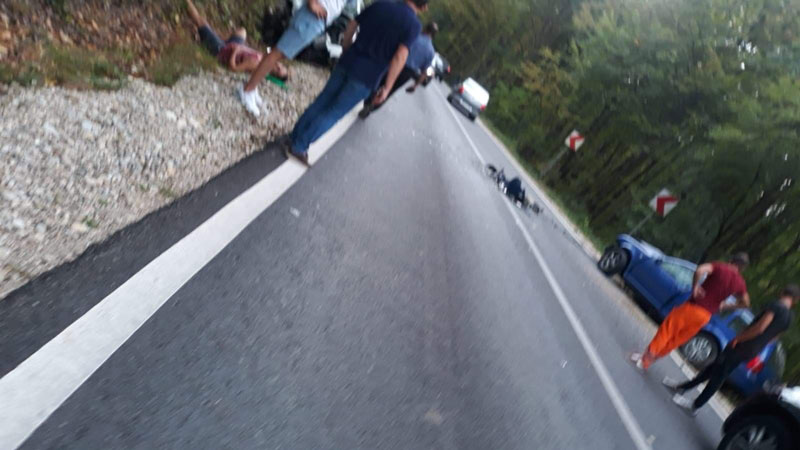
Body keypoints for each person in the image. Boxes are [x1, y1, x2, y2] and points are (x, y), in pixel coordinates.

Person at [282, 0, 428, 166]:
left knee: (322, 100)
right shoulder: (413, 26)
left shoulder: (381, 4)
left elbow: (352, 24)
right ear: (424, 7)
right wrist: (387, 87)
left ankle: (293, 137)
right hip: (368, 75)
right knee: (333, 112)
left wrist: (346, 47)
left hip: (349, 60)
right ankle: (299, 146)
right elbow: (400, 56)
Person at [665, 284, 799, 415]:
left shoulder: (776, 306)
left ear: (782, 292)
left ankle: (695, 405)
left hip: (744, 344)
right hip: (754, 349)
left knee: (719, 375)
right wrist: (760, 344)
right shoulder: (789, 318)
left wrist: (739, 339)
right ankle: (683, 387)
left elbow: (760, 327)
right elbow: (774, 338)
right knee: (714, 367)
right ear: (795, 300)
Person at [237, 0, 360, 116]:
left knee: (279, 54)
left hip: (318, 20)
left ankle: (252, 86)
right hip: (312, 17)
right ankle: (247, 90)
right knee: (277, 53)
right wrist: (312, 3)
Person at [630, 253, 751, 371]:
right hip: (705, 316)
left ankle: (645, 359)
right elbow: (746, 303)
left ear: (731, 260)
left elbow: (700, 270)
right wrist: (726, 305)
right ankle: (649, 361)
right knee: (677, 339)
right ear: (742, 268)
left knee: (667, 330)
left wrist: (695, 287)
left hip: (693, 307)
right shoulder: (740, 283)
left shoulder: (720, 267)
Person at [186, 0, 289, 81]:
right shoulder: (268, 59)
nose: (278, 65)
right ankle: (211, 36)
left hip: (222, 51)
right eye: (281, 66)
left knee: (201, 21)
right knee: (242, 31)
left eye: (278, 69)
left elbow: (233, 68)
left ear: (274, 73)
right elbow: (267, 50)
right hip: (236, 46)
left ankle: (186, 3)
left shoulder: (256, 65)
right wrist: (273, 50)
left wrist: (235, 51)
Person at [358, 22, 438, 119]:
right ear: (434, 35)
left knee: (379, 82)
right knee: (390, 90)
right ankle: (372, 107)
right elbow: (424, 72)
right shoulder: (431, 52)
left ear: (425, 28)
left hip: (396, 63)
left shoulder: (414, 37)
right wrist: (415, 85)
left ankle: (368, 101)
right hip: (408, 72)